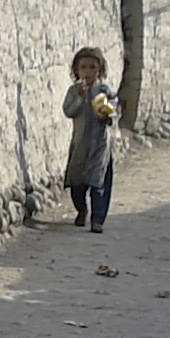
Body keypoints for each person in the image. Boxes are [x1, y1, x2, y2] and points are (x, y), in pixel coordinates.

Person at [62, 48, 116, 233]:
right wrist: (80, 97)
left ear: (99, 70)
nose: (88, 72)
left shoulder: (103, 91)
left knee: (98, 183)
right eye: (83, 67)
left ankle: (97, 219)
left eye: (92, 67)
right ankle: (81, 210)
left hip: (100, 144)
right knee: (77, 183)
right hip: (79, 144)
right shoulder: (73, 91)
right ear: (76, 70)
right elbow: (68, 111)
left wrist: (107, 113)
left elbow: (113, 115)